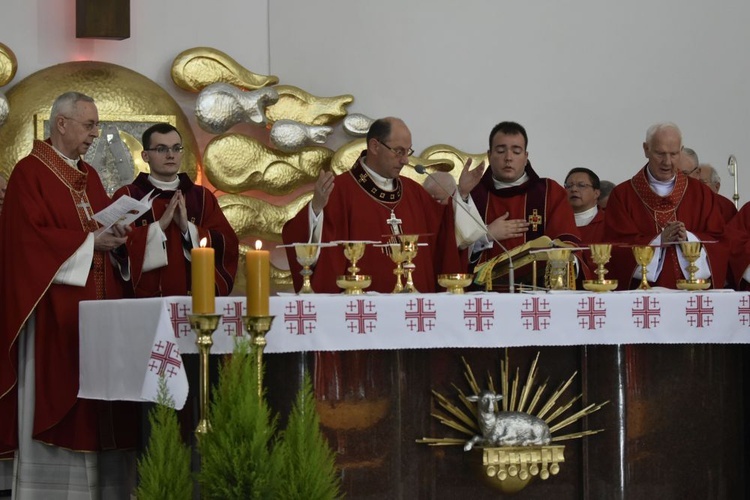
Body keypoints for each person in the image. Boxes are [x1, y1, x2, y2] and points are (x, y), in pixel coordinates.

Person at [0, 92, 136, 497]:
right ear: (61, 123)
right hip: (52, 314)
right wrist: (89, 244)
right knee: (61, 394)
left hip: (96, 313)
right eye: (89, 125)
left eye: (96, 125)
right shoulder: (30, 173)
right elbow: (26, 243)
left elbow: (96, 234)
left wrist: (117, 239)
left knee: (100, 403)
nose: (96, 134)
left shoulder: (89, 177)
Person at [283, 116, 462, 292]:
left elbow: (445, 233)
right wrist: (316, 208)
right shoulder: (340, 191)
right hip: (362, 313)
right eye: (399, 151)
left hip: (414, 312)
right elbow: (297, 238)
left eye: (408, 151)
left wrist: (464, 196)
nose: (405, 160)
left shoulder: (414, 193)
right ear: (375, 146)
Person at [112, 123, 239, 299]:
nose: (170, 155)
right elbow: (115, 248)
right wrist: (159, 227)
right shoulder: (128, 196)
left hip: (194, 301)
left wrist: (188, 229)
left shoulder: (201, 197)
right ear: (145, 155)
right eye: (161, 149)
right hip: (144, 304)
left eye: (176, 148)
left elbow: (228, 244)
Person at [455, 121, 582, 289]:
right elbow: (452, 251)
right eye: (500, 151)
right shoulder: (474, 194)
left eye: (516, 151)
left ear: (526, 156)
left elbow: (568, 244)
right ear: (489, 154)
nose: (508, 158)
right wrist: (486, 235)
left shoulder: (549, 192)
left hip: (538, 293)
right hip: (485, 294)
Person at [603, 123, 728, 289]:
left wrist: (688, 239)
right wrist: (658, 241)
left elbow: (719, 241)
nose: (667, 162)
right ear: (646, 149)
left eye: (674, 154)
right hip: (642, 294)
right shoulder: (623, 195)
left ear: (681, 150)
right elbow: (615, 247)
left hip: (692, 291)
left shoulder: (701, 193)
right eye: (660, 153)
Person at [564, 167, 605, 243]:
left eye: (581, 185)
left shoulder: (608, 223)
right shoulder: (556, 222)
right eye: (569, 186)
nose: (574, 189)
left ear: (596, 193)